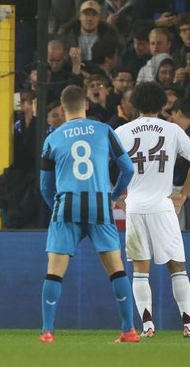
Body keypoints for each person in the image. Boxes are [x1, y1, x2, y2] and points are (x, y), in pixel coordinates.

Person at [38, 85, 137, 344]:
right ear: (87, 106)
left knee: (54, 272)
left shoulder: (53, 138)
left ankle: (48, 331)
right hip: (100, 205)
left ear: (61, 109)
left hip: (66, 206)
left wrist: (56, 208)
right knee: (116, 270)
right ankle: (128, 331)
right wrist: (113, 197)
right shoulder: (105, 130)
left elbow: (45, 186)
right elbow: (127, 169)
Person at [115, 82, 190, 339]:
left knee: (140, 270)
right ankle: (189, 326)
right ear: (162, 103)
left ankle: (147, 327)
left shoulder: (122, 131)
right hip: (162, 205)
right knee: (178, 267)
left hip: (135, 207)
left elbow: (107, 164)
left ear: (134, 103)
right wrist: (183, 193)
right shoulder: (172, 129)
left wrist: (119, 196)